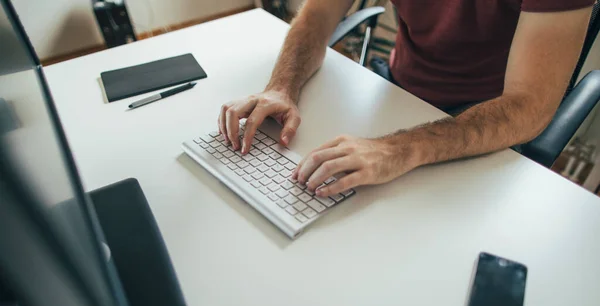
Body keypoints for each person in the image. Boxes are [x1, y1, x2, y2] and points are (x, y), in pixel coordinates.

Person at [218, 0, 594, 197]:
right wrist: (281, 86)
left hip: (487, 129)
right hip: (398, 92)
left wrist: (400, 150)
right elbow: (319, 12)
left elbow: (530, 104)